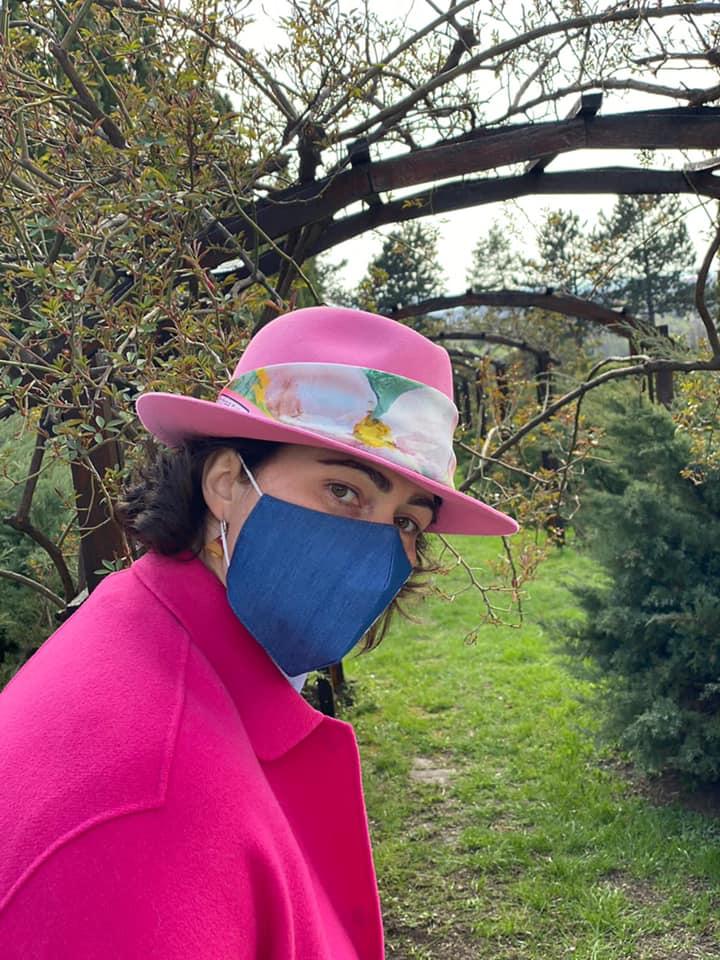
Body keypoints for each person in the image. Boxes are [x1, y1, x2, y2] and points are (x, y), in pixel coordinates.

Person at [0, 305, 517, 958]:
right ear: (226, 482)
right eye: (344, 491)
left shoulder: (154, 637)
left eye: (407, 522)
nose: (378, 549)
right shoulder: (151, 808)